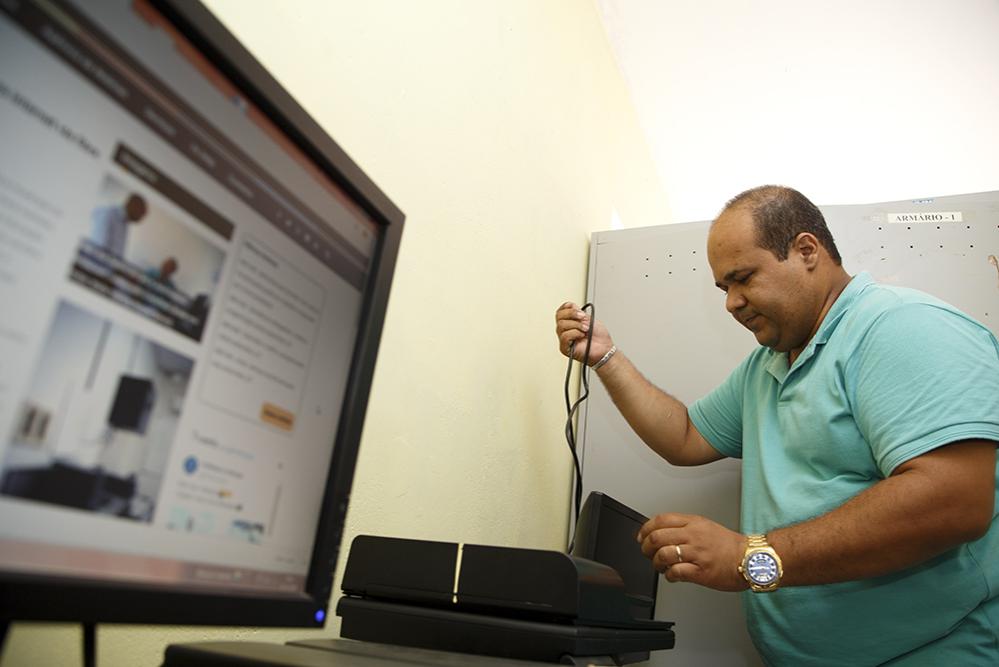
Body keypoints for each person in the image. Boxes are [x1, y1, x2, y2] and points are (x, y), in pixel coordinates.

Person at [554, 185, 999, 665]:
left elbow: (953, 501)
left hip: (932, 652)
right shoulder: (768, 365)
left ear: (807, 251)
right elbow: (685, 436)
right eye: (724, 289)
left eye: (743, 278)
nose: (732, 303)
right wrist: (606, 357)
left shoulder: (901, 327)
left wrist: (749, 556)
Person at [90, 193, 147, 258]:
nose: (141, 219)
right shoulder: (109, 215)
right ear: (134, 206)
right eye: (141, 214)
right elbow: (98, 250)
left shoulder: (124, 223)